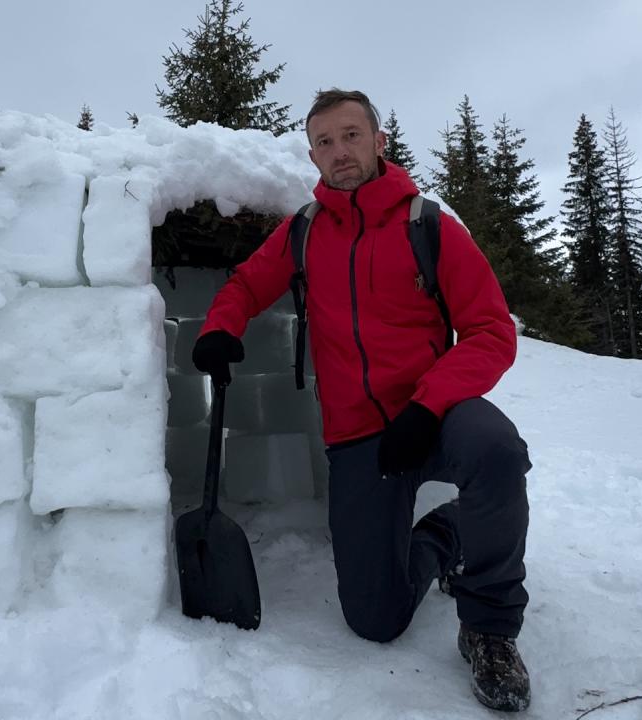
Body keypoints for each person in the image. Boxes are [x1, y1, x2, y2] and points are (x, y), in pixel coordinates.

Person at [191, 89, 533, 712]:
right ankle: (448, 534)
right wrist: (220, 327)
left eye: (351, 135)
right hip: (358, 437)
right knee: (375, 620)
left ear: (379, 142)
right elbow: (247, 283)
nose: (339, 151)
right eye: (324, 141)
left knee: (497, 449)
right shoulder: (305, 231)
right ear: (313, 156)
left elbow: (491, 331)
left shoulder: (427, 226)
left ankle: (489, 628)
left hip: (438, 412)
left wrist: (429, 406)